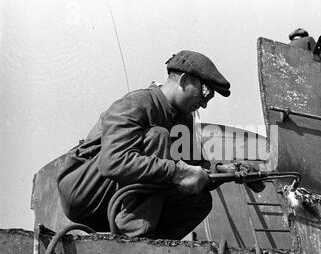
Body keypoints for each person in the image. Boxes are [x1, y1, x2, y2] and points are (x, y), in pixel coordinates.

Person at [57, 50, 232, 239]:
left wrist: (225, 171)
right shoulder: (136, 103)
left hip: (115, 204)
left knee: (199, 201)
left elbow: (194, 167)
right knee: (159, 136)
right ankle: (136, 239)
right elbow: (113, 162)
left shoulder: (183, 121)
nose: (204, 104)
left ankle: (153, 246)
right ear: (183, 80)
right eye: (204, 93)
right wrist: (176, 171)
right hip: (85, 194)